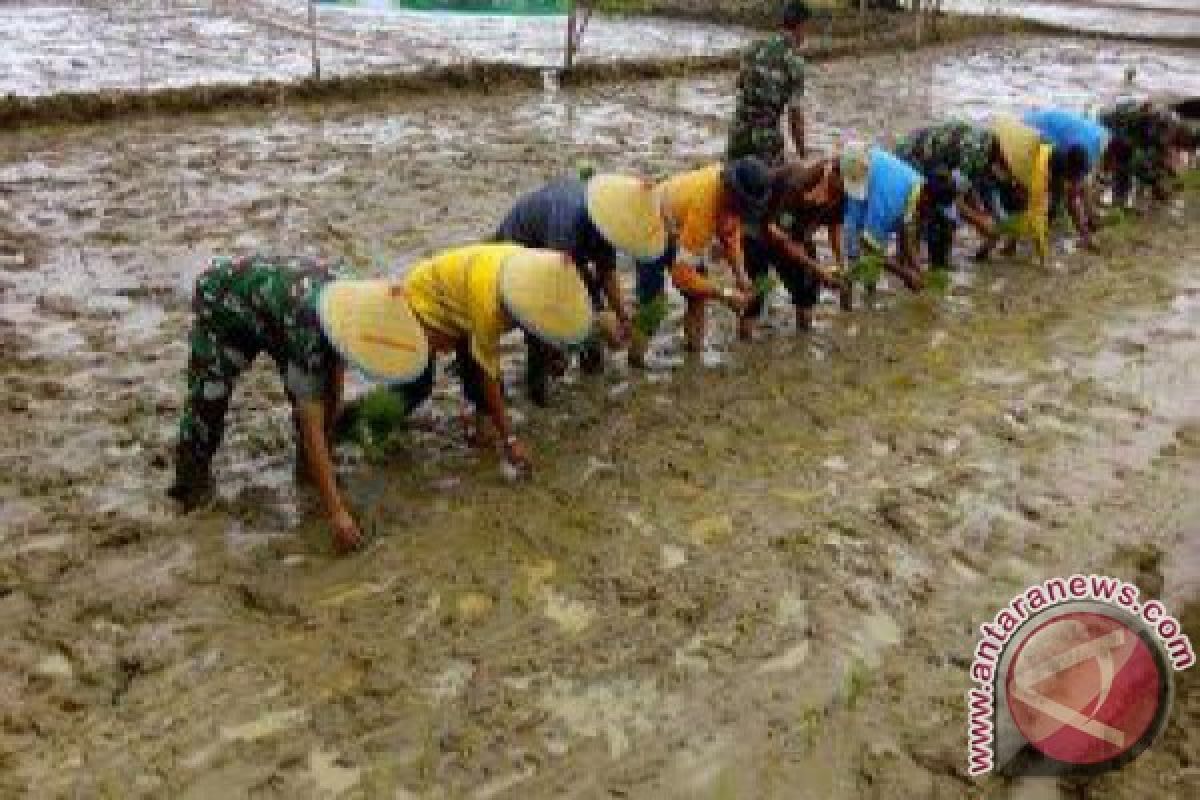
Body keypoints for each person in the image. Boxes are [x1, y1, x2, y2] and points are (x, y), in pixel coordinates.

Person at [169, 253, 432, 553]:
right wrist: (336, 512)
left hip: (281, 313)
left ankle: (309, 476)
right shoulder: (311, 329)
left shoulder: (353, 307)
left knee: (318, 404)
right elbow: (311, 423)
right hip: (224, 302)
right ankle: (188, 490)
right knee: (209, 400)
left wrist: (331, 427)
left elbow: (334, 372)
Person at [391, 243, 593, 471]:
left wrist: (556, 353)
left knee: (477, 372)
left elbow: (547, 319)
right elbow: (490, 374)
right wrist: (510, 439)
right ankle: (361, 426)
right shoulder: (488, 307)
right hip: (426, 298)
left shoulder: (529, 268)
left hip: (462, 297)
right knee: (418, 386)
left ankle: (480, 434)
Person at [493, 173, 667, 404]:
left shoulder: (608, 221)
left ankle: (592, 373)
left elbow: (606, 273)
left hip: (565, 258)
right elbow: (554, 286)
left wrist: (623, 318)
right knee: (540, 325)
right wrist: (566, 340)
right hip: (523, 250)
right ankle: (538, 394)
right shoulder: (567, 218)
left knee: (594, 312)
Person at [630, 158, 769, 365]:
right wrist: (725, 294)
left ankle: (694, 359)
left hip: (679, 225)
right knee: (653, 305)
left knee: (697, 297)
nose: (744, 211)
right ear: (732, 192)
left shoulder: (729, 199)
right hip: (650, 225)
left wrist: (741, 275)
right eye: (743, 204)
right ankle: (635, 362)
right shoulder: (704, 207)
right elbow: (681, 277)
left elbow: (730, 234)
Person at [838, 142, 959, 300]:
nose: (929, 215)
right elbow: (869, 246)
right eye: (932, 210)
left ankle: (869, 300)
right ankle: (848, 305)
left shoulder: (918, 184)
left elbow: (906, 234)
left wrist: (918, 270)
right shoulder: (892, 202)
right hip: (858, 169)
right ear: (927, 199)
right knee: (854, 255)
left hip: (876, 172)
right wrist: (904, 274)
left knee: (873, 258)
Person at [742, 158, 848, 337]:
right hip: (760, 233)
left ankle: (804, 338)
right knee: (756, 293)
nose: (832, 199)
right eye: (832, 193)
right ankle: (746, 344)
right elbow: (784, 241)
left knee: (807, 289)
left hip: (794, 233)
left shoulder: (843, 193)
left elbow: (834, 226)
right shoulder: (795, 186)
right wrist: (819, 270)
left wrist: (840, 263)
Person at [893, 119, 1012, 266]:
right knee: (920, 208)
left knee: (931, 211)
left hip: (924, 154)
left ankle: (912, 257)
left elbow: (967, 188)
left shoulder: (987, 146)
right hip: (913, 157)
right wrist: (980, 222)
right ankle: (908, 259)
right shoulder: (975, 152)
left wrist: (980, 216)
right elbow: (950, 197)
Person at [726, 0, 810, 166]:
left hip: (737, 135)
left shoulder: (754, 48)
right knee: (779, 185)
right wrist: (803, 154)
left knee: (732, 183)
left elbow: (740, 84)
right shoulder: (795, 62)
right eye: (807, 29)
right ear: (801, 26)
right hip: (765, 143)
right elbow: (795, 118)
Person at [1021, 107, 1116, 248]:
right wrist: (1086, 236)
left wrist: (1090, 214)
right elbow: (1072, 195)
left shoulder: (1100, 141)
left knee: (1065, 189)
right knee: (1050, 188)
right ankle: (1036, 228)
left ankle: (1079, 222)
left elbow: (1081, 185)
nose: (1112, 171)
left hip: (1056, 129)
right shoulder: (1082, 149)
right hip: (1033, 130)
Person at [977, 114, 1053, 265]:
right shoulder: (1035, 163)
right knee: (1004, 221)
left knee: (1000, 226)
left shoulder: (1034, 154)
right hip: (1002, 173)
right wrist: (1044, 260)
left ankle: (993, 250)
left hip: (1006, 175)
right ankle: (1003, 247)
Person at [1099, 100, 1186, 208]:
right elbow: (1136, 163)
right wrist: (1155, 182)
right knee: (1123, 166)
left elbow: (1160, 151)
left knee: (1128, 164)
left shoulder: (1157, 128)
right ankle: (1118, 199)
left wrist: (1168, 169)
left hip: (1124, 128)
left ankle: (1119, 197)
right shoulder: (1144, 129)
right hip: (1114, 129)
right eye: (1169, 131)